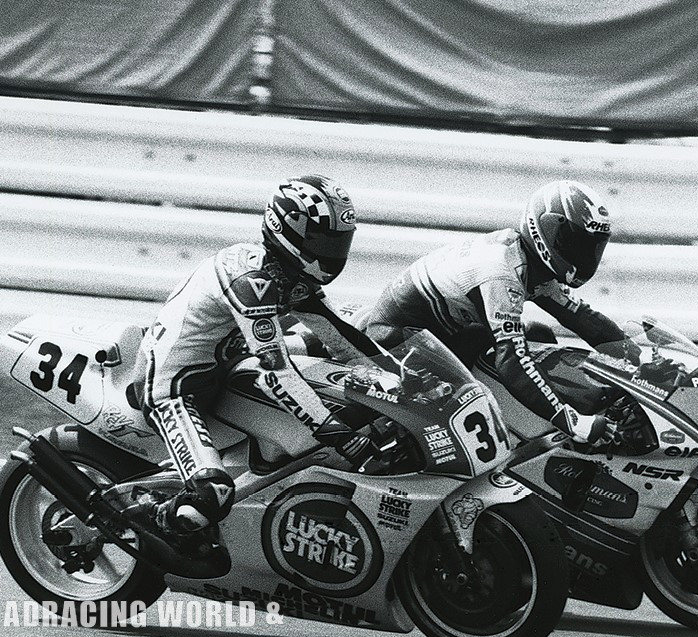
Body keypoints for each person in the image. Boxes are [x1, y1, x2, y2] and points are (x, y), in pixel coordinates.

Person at [119, 174, 385, 559]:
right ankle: (148, 519)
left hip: (223, 372)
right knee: (214, 494)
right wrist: (341, 435)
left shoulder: (290, 275)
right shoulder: (252, 281)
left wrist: (400, 378)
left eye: (339, 240)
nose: (333, 251)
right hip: (174, 388)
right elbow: (278, 371)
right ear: (289, 231)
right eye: (324, 241)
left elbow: (341, 336)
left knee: (304, 405)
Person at [361, 179, 633, 446]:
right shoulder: (501, 273)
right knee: (478, 393)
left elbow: (585, 320)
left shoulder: (531, 262)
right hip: (398, 339)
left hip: (438, 333)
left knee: (539, 335)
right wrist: (572, 421)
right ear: (547, 231)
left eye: (591, 247)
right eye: (576, 244)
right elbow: (513, 364)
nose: (583, 255)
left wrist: (644, 366)